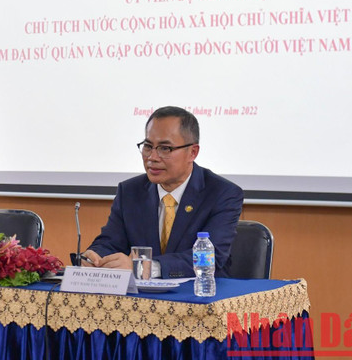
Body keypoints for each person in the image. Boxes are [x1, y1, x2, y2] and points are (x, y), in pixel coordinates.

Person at [82, 106, 243, 278]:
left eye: (165, 148)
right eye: (148, 146)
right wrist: (94, 257)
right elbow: (109, 242)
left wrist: (146, 268)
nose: (152, 157)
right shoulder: (129, 192)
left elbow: (210, 258)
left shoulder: (222, 194)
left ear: (192, 152)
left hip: (201, 296)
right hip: (142, 299)